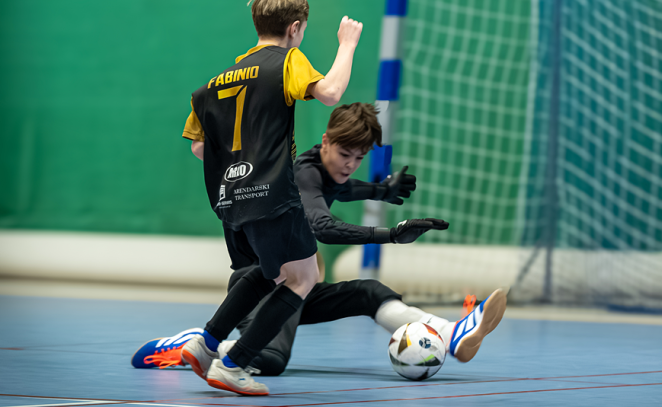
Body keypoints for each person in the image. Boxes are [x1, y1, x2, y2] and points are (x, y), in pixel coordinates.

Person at [134, 103, 506, 376]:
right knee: (269, 361)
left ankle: (452, 334)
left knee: (368, 292)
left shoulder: (327, 171)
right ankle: (191, 345)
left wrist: (379, 190)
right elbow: (322, 225)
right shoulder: (305, 174)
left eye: (359, 158)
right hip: (259, 286)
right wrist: (390, 234)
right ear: (325, 141)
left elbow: (341, 187)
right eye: (345, 154)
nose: (350, 164)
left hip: (295, 288)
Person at [178, 0, 363, 395]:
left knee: (272, 272)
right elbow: (331, 91)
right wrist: (347, 44)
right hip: (272, 195)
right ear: (294, 29)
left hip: (230, 202)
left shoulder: (214, 84)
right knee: (304, 277)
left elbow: (199, 150)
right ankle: (235, 362)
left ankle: (205, 343)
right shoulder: (286, 61)